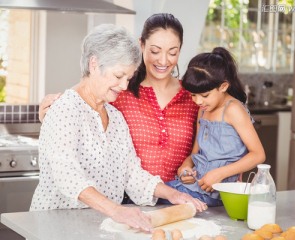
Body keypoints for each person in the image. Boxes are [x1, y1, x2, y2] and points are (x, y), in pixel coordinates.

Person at [30, 24, 207, 233]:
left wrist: (171, 194)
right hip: (56, 227)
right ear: (94, 64)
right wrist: (116, 211)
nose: (124, 86)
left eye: (129, 78)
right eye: (118, 76)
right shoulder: (64, 110)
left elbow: (131, 173)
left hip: (97, 227)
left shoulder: (115, 117)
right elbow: (68, 176)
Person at [38, 13, 199, 183]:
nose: (163, 60)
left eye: (172, 53)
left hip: (179, 197)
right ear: (141, 45)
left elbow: (210, 143)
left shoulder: (194, 97)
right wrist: (52, 111)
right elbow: (84, 103)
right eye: (155, 51)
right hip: (125, 200)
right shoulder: (120, 91)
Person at [164, 47, 266, 206]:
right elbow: (195, 153)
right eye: (193, 95)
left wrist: (219, 174)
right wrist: (185, 168)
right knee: (158, 194)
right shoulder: (203, 110)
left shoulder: (233, 110)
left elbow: (258, 154)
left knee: (159, 199)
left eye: (204, 95)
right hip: (195, 186)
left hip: (218, 193)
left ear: (223, 87)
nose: (197, 101)